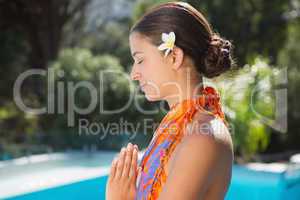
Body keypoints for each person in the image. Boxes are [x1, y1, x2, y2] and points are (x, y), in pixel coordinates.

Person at [106, 2, 234, 200]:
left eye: (140, 60)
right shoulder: (180, 125)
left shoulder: (203, 136)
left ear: (173, 56)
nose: (133, 74)